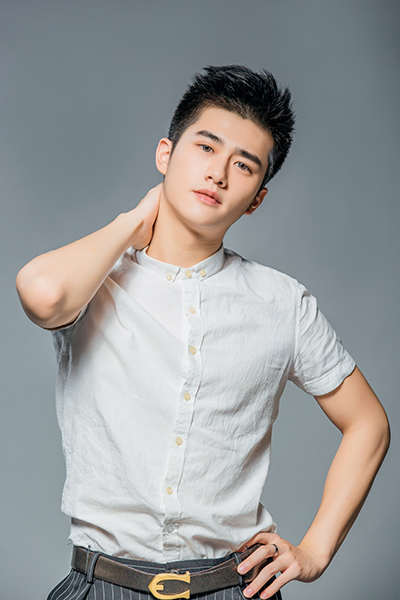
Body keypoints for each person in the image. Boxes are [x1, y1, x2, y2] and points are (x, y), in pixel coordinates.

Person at [16, 65, 390, 600]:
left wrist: (315, 550)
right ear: (165, 154)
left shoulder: (282, 303)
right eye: (206, 147)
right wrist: (134, 220)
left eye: (244, 165)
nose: (218, 174)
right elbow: (43, 295)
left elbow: (369, 423)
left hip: (232, 588)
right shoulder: (95, 280)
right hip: (102, 584)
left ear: (257, 198)